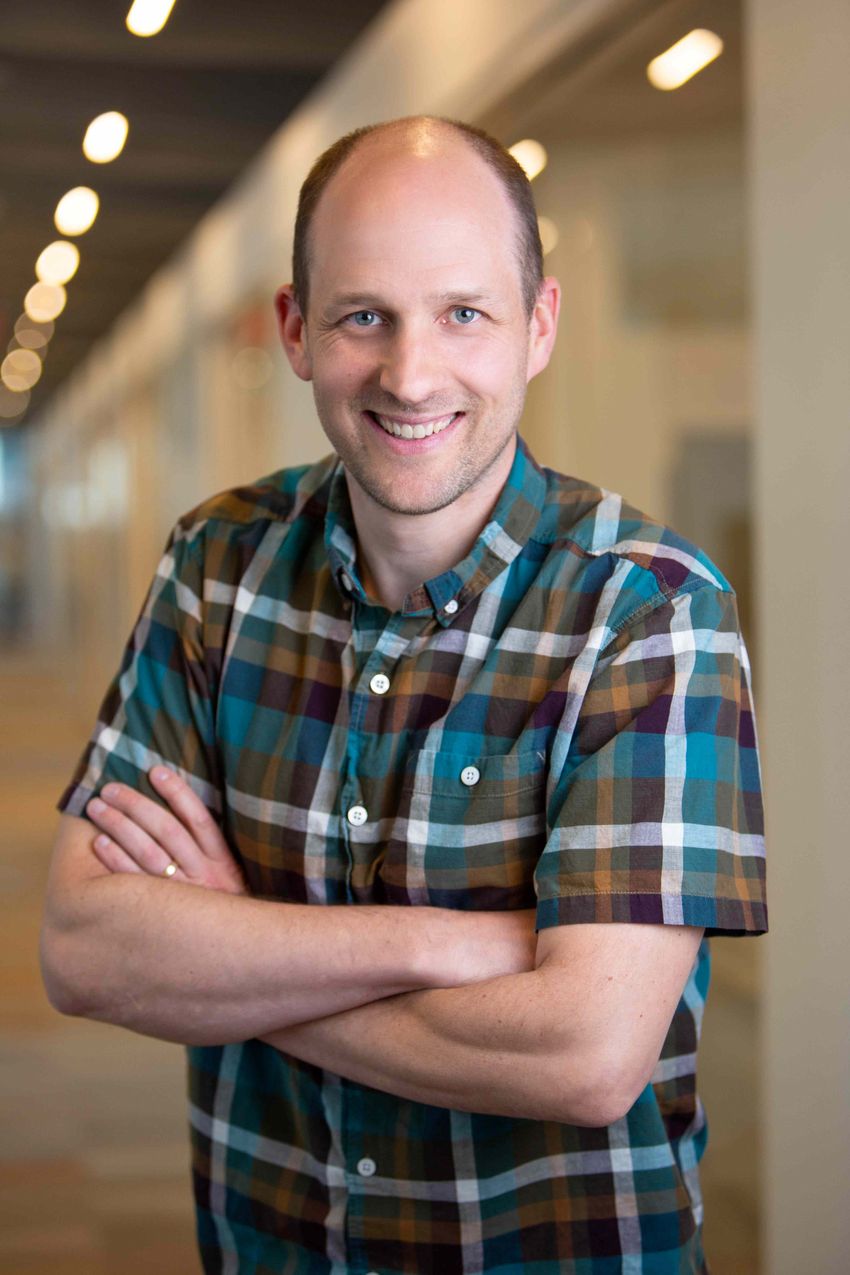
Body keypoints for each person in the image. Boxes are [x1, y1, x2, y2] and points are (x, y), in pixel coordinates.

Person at [41, 116, 767, 1273]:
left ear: (538, 327)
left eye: (463, 313)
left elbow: (584, 1057)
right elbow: (84, 951)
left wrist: (230, 965)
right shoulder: (215, 566)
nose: (410, 373)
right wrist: (457, 947)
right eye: (361, 315)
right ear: (295, 329)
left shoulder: (649, 611)